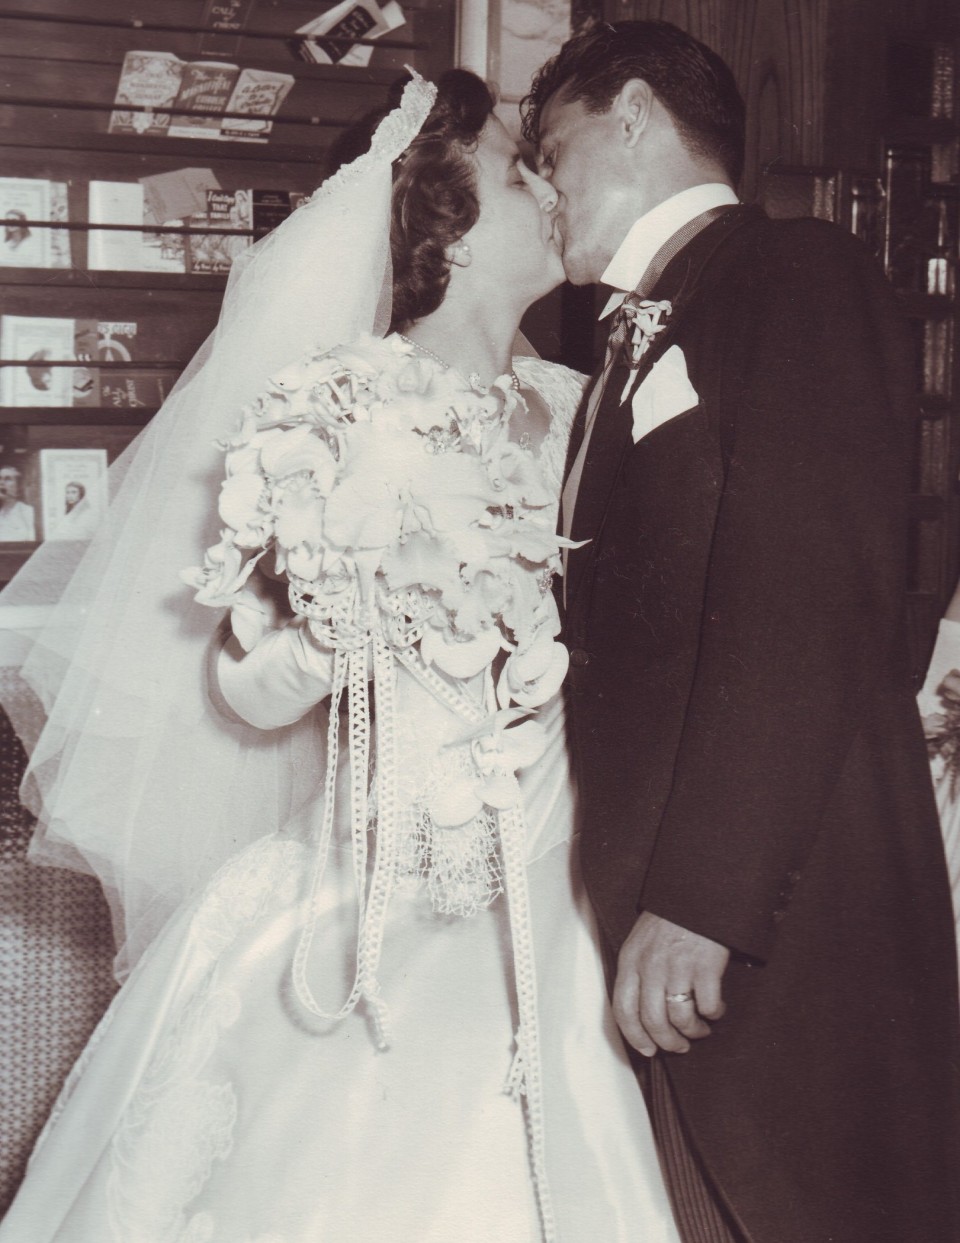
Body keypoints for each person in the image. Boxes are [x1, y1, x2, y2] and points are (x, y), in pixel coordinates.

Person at [0, 71, 679, 1242]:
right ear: (451, 228)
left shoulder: (585, 405)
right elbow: (242, 685)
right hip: (386, 876)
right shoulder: (331, 411)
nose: (551, 184)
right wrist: (344, 625)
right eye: (521, 166)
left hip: (581, 858)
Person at [521, 19, 960, 1243]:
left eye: (551, 155)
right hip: (672, 920)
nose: (544, 195)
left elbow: (803, 602)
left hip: (782, 916)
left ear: (635, 117)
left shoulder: (790, 275)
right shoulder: (615, 336)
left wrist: (705, 896)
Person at [0, 464, 36, 541]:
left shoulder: (28, 512)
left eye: (7, 479)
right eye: (0, 478)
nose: (1, 483)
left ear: (18, 486)